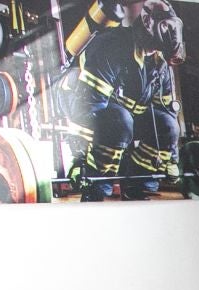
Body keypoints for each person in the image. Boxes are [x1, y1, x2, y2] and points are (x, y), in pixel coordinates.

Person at [65, 0, 186, 202]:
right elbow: (88, 105)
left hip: (127, 116)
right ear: (148, 24)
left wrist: (172, 158)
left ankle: (138, 187)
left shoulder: (160, 64)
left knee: (168, 125)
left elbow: (165, 111)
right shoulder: (111, 46)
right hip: (88, 107)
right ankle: (96, 188)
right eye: (166, 28)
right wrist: (79, 156)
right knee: (120, 121)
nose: (171, 35)